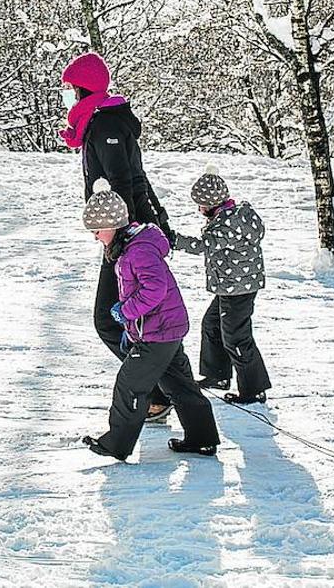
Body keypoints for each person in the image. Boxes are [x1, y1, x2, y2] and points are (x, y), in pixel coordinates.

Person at [59, 52, 175, 422]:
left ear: (83, 89)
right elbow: (135, 177)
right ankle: (166, 391)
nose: (67, 96)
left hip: (128, 237)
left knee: (108, 320)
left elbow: (125, 181)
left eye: (70, 89)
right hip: (126, 233)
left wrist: (123, 238)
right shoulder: (101, 120)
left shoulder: (105, 125)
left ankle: (159, 393)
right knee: (144, 321)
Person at [79, 179, 221, 461]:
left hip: (159, 332)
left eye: (97, 230)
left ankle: (116, 444)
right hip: (166, 328)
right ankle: (202, 439)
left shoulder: (138, 251)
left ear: (113, 225)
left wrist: (126, 311)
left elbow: (154, 289)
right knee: (180, 385)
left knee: (130, 383)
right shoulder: (132, 247)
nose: (95, 237)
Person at [171, 165, 272, 404]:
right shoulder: (234, 215)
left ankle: (254, 389)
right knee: (212, 324)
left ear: (212, 203)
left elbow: (203, 246)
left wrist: (173, 239)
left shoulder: (228, 223)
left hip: (238, 289)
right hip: (233, 285)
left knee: (236, 337)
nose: (199, 210)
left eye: (201, 205)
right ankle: (217, 375)